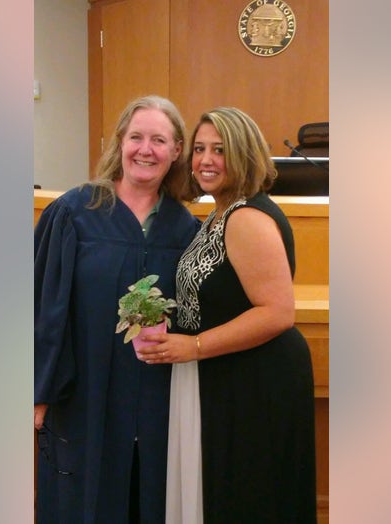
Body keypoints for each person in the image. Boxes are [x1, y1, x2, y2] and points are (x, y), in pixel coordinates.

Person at [136, 107, 317, 523]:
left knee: (251, 500)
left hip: (257, 380)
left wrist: (194, 346)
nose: (206, 160)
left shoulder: (246, 216)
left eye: (220, 150)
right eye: (199, 149)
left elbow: (277, 312)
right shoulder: (220, 212)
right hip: (230, 375)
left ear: (244, 154)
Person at [33, 95, 200, 523]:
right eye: (136, 137)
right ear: (119, 143)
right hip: (83, 398)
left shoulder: (187, 230)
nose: (146, 149)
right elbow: (43, 308)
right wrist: (37, 392)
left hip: (160, 403)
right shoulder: (74, 214)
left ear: (176, 150)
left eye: (159, 140)